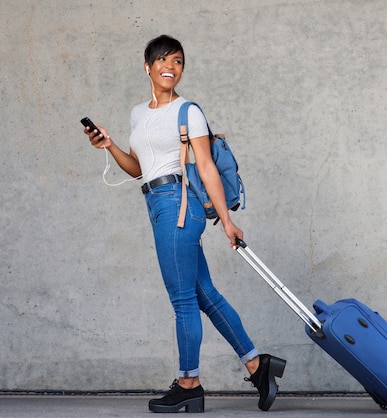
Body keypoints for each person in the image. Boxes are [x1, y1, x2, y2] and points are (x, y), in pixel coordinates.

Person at [85, 34, 286, 413]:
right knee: (205, 294)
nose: (170, 66)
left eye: (177, 61)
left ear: (181, 69)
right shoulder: (138, 113)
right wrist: (109, 145)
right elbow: (139, 169)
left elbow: (206, 167)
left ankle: (189, 383)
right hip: (156, 202)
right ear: (148, 67)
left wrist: (226, 220)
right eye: (162, 59)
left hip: (181, 206)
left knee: (183, 301)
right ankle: (258, 366)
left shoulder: (188, 111)